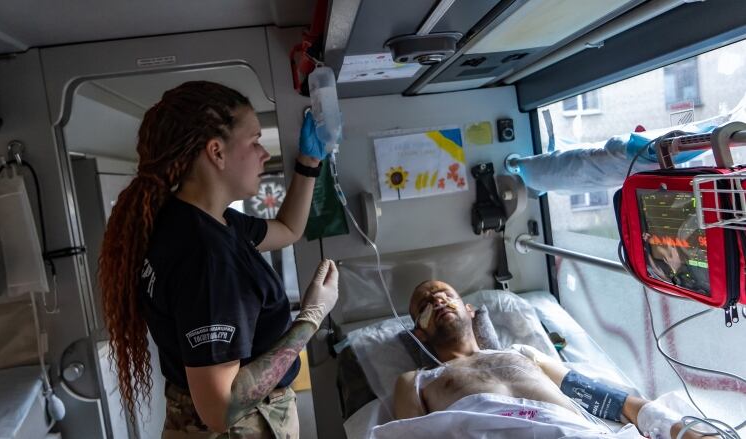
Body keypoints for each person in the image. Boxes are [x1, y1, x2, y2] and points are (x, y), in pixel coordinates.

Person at [98, 81, 339, 439]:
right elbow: (219, 408)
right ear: (217, 152)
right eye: (254, 141)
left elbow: (287, 229)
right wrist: (311, 318)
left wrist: (309, 163)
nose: (263, 154)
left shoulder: (200, 219)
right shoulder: (208, 259)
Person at [390, 280, 712, 439]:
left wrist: (679, 430)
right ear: (420, 332)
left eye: (446, 294)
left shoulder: (520, 354)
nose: (437, 299)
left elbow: (606, 398)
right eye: (425, 305)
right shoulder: (416, 381)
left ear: (470, 310)